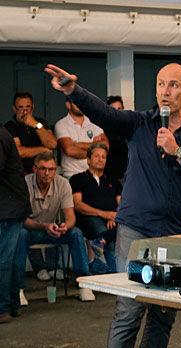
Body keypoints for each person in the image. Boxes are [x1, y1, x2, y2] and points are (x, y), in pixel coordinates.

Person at [45, 62, 181, 348]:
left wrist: (177, 153)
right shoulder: (139, 123)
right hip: (135, 230)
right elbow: (104, 113)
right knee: (130, 308)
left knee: (164, 312)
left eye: (172, 85)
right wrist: (75, 91)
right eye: (159, 84)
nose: (164, 90)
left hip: (175, 234)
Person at [17, 151, 94, 303]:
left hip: (55, 229)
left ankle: (84, 284)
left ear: (56, 170)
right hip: (33, 229)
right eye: (43, 169)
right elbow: (21, 219)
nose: (47, 173)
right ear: (34, 169)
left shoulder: (62, 183)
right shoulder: (24, 184)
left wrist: (65, 226)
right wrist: (44, 226)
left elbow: (71, 216)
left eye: (51, 169)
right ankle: (18, 289)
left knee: (76, 233)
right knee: (20, 234)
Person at [70, 143, 122, 274]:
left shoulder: (113, 181)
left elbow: (122, 204)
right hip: (88, 218)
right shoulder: (78, 179)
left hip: (111, 218)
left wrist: (114, 215)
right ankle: (115, 274)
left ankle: (101, 245)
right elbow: (78, 204)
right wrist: (104, 214)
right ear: (88, 160)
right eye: (97, 156)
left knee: (125, 226)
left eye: (104, 157)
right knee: (105, 232)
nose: (100, 159)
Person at [0, 125, 30, 323]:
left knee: (2, 259)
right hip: (11, 205)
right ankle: (12, 305)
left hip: (9, 208)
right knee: (6, 259)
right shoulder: (4, 134)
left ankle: (3, 308)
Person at [4, 92, 57, 173]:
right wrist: (43, 150)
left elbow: (52, 144)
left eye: (28, 107)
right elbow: (18, 152)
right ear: (14, 109)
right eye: (21, 107)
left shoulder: (40, 123)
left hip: (42, 173)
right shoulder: (9, 127)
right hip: (20, 173)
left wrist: (35, 125)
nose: (25, 112)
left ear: (32, 108)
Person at [55, 98, 108, 178]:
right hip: (72, 174)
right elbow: (70, 150)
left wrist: (77, 144)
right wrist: (95, 146)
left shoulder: (94, 122)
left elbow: (105, 146)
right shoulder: (61, 124)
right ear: (68, 105)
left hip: (95, 174)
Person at [103, 96, 128, 182]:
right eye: (113, 109)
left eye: (119, 109)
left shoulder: (129, 128)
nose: (117, 112)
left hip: (129, 174)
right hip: (110, 176)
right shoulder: (103, 130)